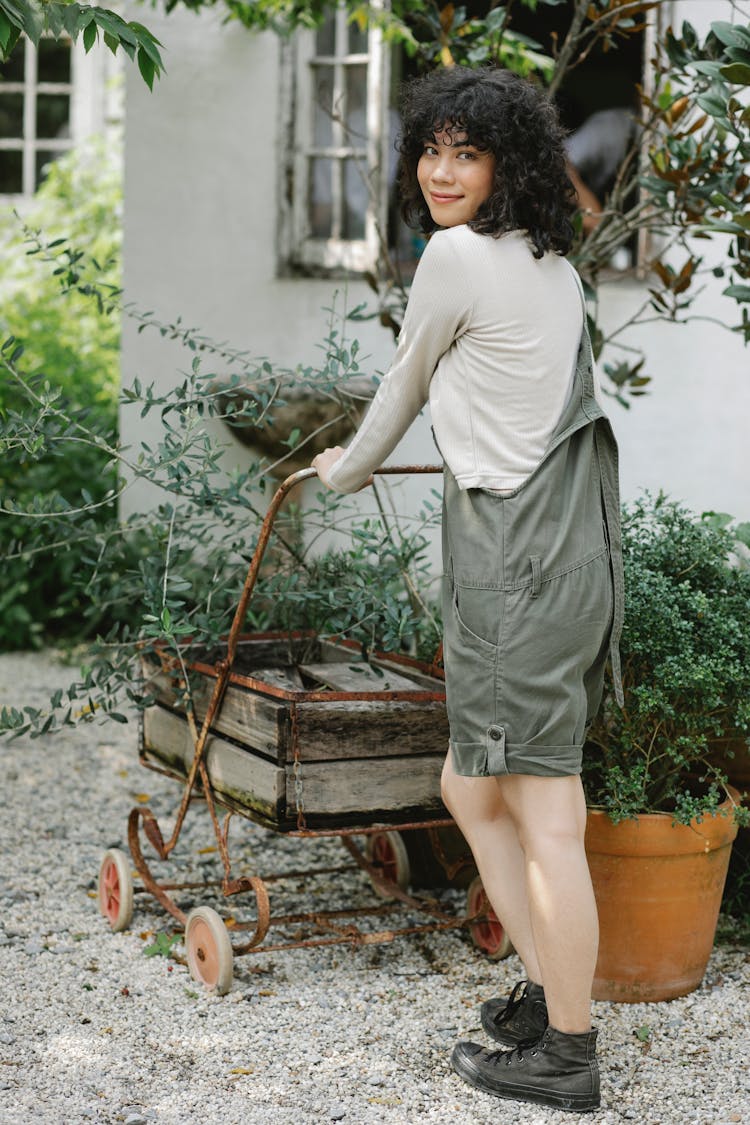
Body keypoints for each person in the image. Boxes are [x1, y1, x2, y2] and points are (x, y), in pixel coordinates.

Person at [312, 65, 623, 1114]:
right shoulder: (553, 266)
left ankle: (568, 1051)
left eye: (466, 153)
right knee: (468, 787)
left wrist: (340, 472)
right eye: (431, 150)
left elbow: (403, 385)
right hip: (566, 556)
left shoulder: (453, 257)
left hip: (514, 565)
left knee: (545, 818)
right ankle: (547, 991)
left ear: (505, 165)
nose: (442, 172)